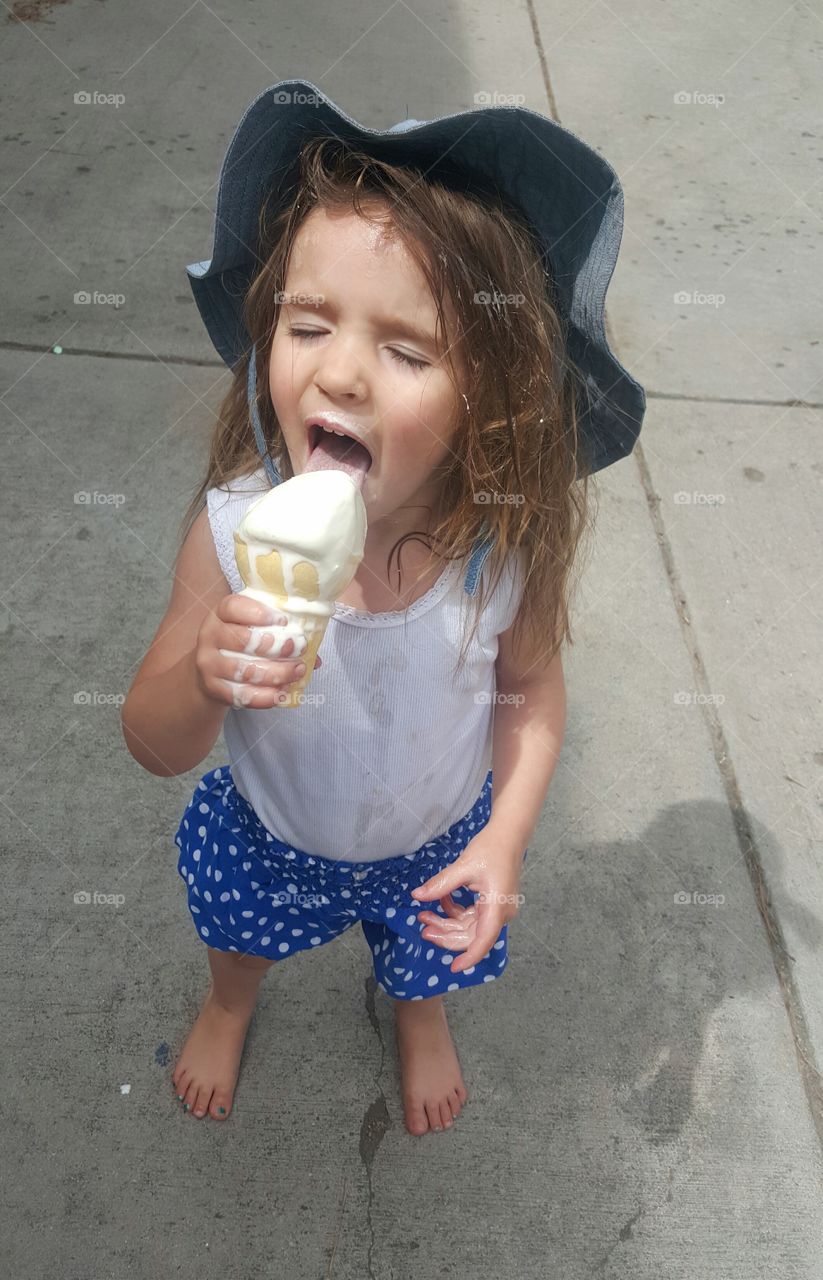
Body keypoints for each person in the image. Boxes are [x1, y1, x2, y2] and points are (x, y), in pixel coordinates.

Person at [121, 82, 645, 1136]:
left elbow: (533, 692)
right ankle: (231, 999)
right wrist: (202, 675)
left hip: (434, 832)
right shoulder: (233, 533)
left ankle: (418, 1014)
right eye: (307, 324)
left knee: (428, 950)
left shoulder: (497, 549)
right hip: (274, 829)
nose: (343, 371)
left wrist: (505, 834)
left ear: (489, 398)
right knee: (236, 928)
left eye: (406, 351)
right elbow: (151, 739)